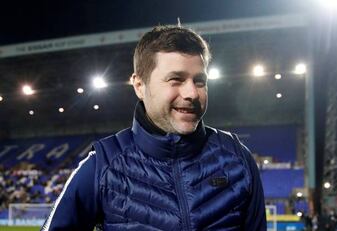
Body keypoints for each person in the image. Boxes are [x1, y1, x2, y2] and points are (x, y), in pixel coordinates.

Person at [41, 25, 266, 231]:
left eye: (199, 81)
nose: (192, 93)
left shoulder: (238, 159)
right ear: (139, 85)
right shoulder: (102, 164)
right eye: (176, 80)